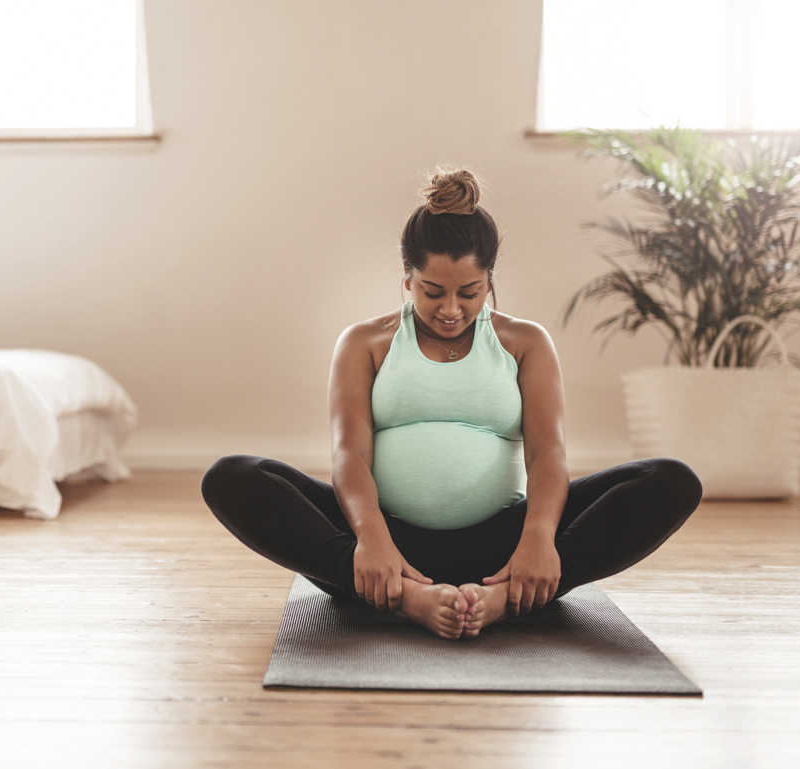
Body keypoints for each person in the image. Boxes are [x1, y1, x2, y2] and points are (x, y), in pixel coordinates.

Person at [201, 167, 703, 640]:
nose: (450, 309)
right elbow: (349, 455)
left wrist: (538, 539)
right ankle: (405, 596)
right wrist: (372, 539)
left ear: (489, 281)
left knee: (670, 481)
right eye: (432, 291)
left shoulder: (525, 342)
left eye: (470, 292)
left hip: (501, 545)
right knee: (233, 476)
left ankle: (508, 594)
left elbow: (548, 454)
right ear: (407, 278)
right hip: (383, 543)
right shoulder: (364, 343)